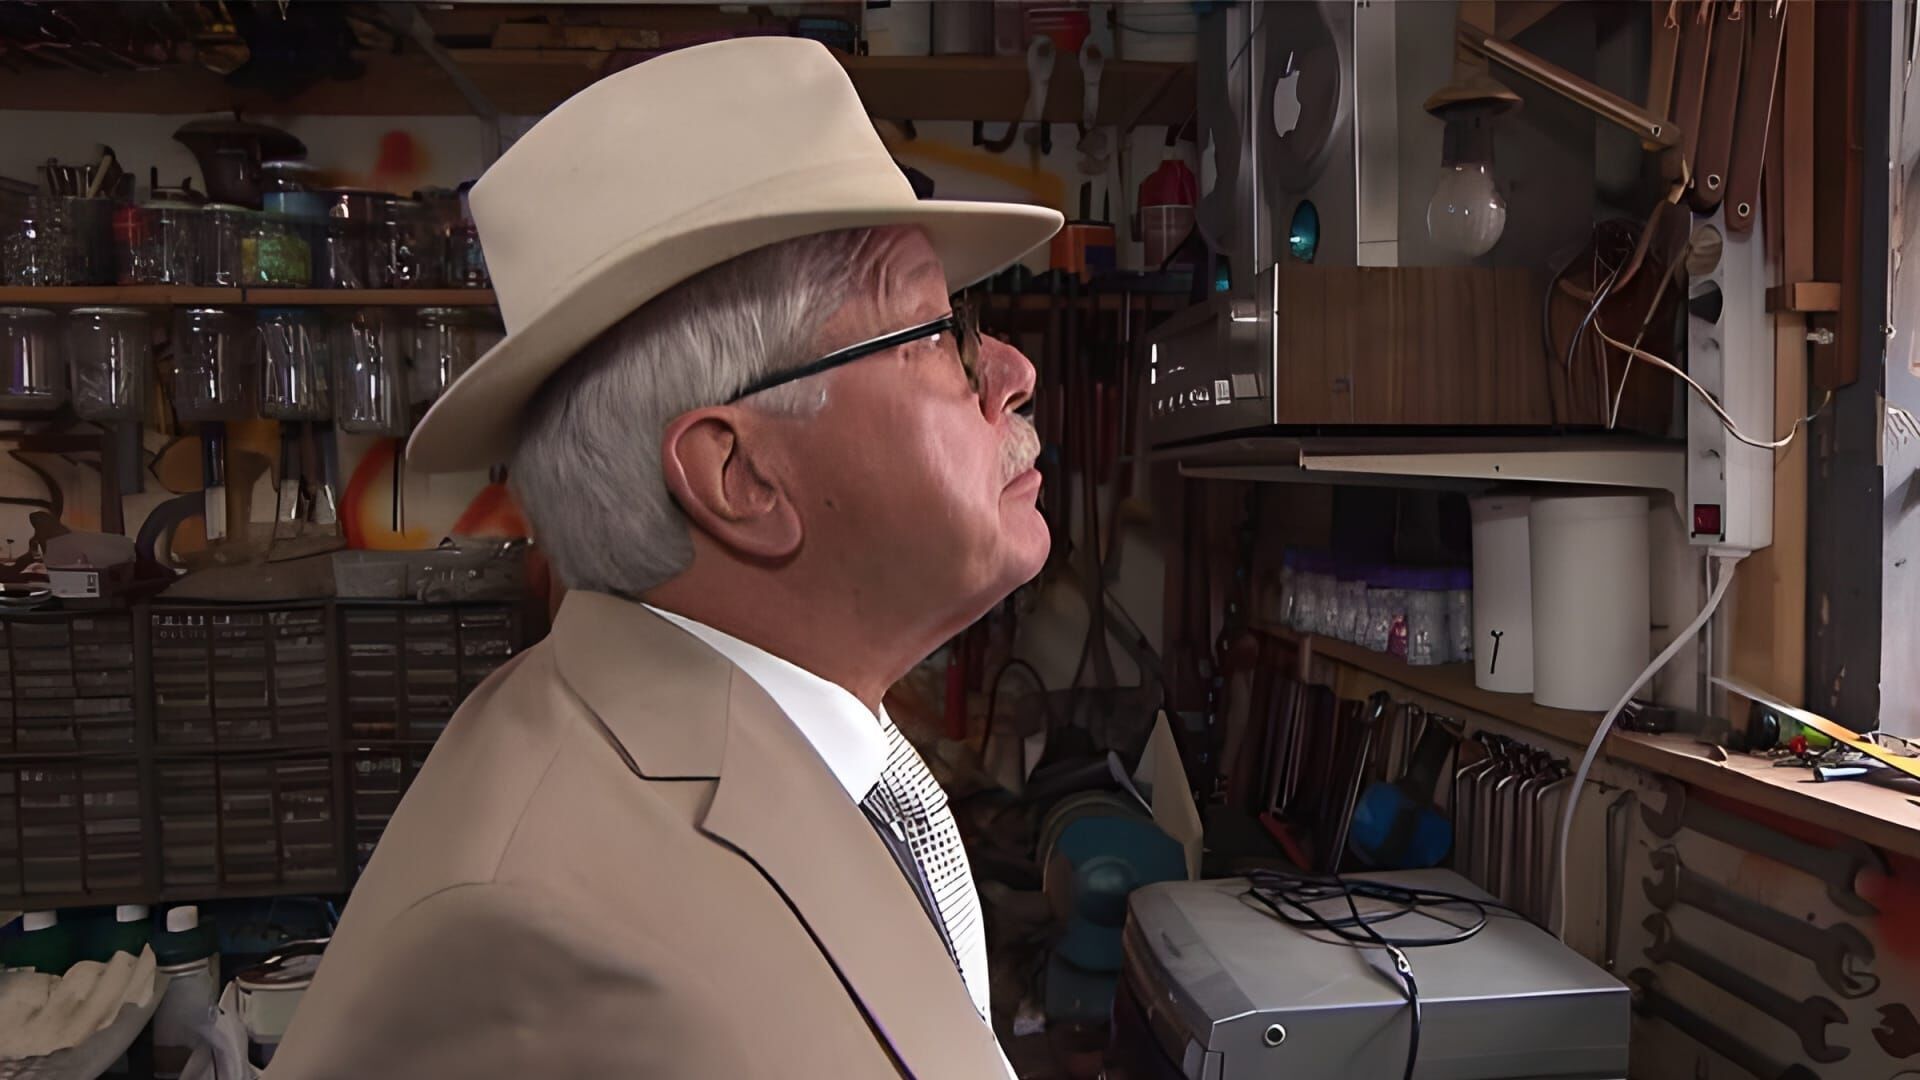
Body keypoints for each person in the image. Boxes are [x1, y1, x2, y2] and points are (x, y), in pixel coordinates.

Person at [266, 35, 1063, 1080]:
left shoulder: (794, 731)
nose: (1012, 370)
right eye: (933, 333)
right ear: (740, 476)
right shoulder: (533, 935)